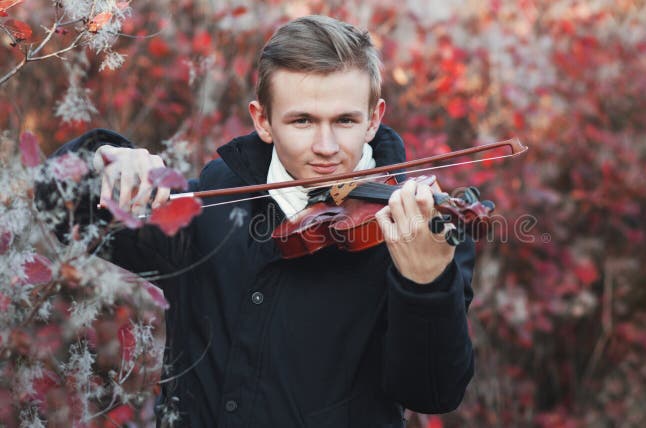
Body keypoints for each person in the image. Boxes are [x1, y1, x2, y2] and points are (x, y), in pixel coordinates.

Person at [40, 15, 475, 427]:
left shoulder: (417, 231)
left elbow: (433, 393)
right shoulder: (202, 209)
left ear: (373, 119)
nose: (326, 146)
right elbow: (62, 212)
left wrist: (426, 285)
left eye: (344, 120)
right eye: (302, 120)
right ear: (263, 120)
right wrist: (100, 159)